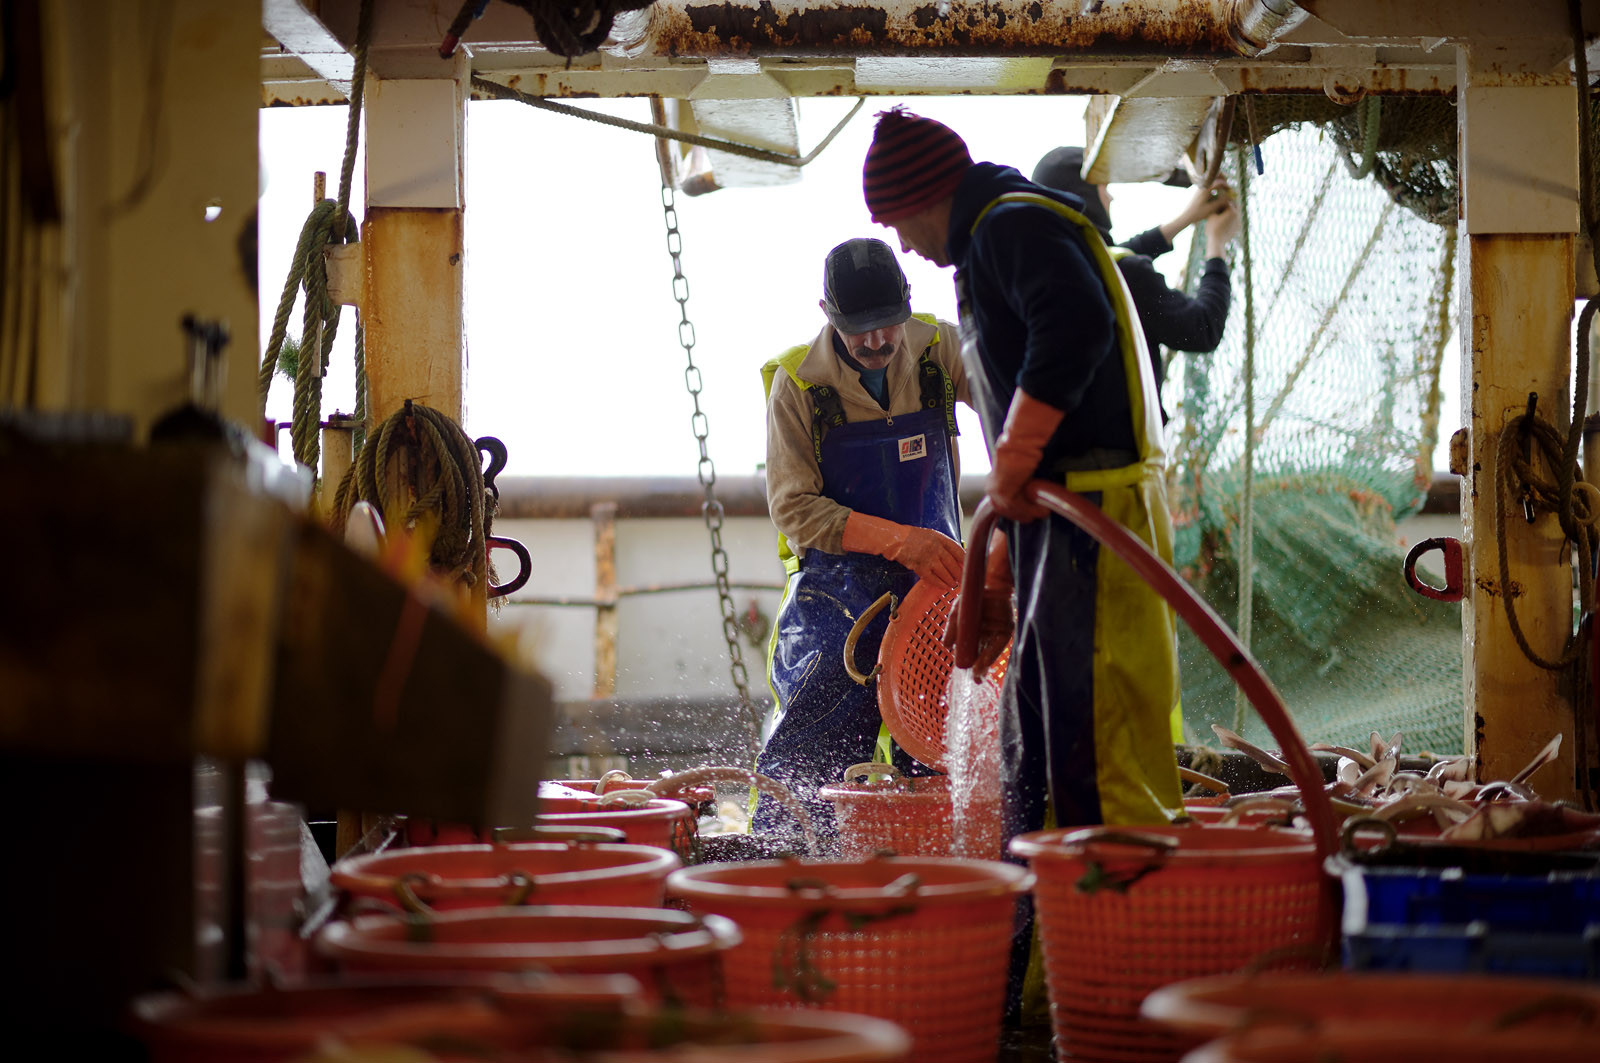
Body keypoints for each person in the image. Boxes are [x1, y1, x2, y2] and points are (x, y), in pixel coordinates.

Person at [862, 106, 1184, 1013]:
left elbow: (1074, 326)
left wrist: (1014, 462)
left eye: (897, 222)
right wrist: (1003, 544)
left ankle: (1116, 980)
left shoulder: (1011, 225)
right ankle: (1038, 979)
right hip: (1055, 521)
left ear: (926, 196)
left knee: (1095, 754)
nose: (904, 244)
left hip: (1094, 516)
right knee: (1034, 750)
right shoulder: (994, 237)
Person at [754, 237, 971, 848]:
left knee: (941, 742)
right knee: (814, 743)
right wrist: (903, 542)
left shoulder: (938, 351)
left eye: (888, 325)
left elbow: (1012, 414)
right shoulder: (798, 385)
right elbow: (794, 509)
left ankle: (933, 863)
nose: (877, 343)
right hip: (839, 595)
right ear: (827, 313)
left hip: (935, 590)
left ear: (908, 304)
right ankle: (788, 862)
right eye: (858, 331)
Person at [1031, 145, 1240, 420]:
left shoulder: (1050, 278)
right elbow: (1202, 328)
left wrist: (1184, 219)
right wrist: (1217, 245)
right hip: (1126, 458)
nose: (1111, 197)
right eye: (1103, 186)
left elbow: (1114, 259)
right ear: (1083, 195)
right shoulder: (1124, 275)